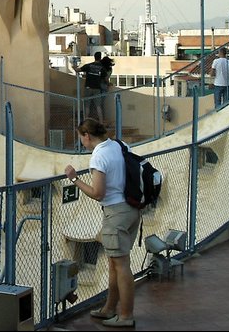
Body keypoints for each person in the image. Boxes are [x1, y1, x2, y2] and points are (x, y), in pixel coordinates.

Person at [64, 119, 140, 328]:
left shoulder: (98, 155)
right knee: (114, 263)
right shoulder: (118, 145)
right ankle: (109, 309)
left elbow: (98, 193)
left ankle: (126, 316)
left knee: (122, 265)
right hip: (132, 209)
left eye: (81, 138)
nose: (82, 142)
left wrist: (74, 179)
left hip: (115, 213)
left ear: (87, 135)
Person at [73, 52, 106, 122]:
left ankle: (86, 122)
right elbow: (105, 78)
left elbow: (77, 70)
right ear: (100, 58)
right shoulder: (102, 68)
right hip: (97, 88)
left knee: (87, 106)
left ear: (94, 57)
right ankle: (101, 122)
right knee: (98, 106)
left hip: (88, 87)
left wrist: (73, 66)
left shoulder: (89, 66)